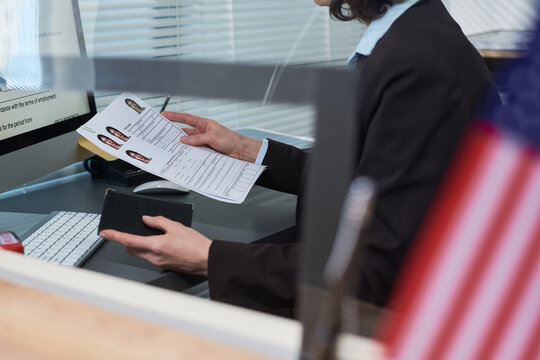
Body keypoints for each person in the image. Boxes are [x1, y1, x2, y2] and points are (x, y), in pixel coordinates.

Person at [100, 0, 498, 316]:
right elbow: (372, 173)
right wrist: (245, 149)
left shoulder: (413, 62)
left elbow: (376, 266)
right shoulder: (417, 31)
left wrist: (209, 258)